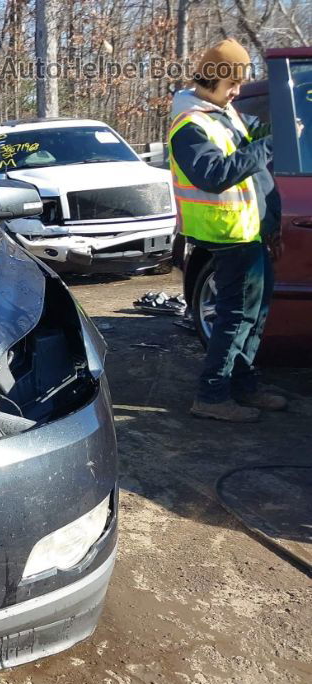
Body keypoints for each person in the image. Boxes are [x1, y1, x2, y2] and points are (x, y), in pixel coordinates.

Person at [169, 38, 285, 422]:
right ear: (213, 78)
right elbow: (214, 175)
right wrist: (267, 145)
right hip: (226, 235)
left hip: (249, 232)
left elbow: (252, 138)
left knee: (255, 314)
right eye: (232, 83)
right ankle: (212, 394)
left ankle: (243, 385)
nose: (237, 91)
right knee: (234, 317)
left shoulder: (224, 112)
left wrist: (281, 125)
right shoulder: (190, 124)